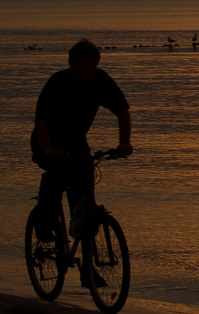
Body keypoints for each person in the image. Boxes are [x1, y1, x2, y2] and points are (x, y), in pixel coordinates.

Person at [30, 39, 133, 242]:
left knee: (86, 188)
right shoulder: (57, 83)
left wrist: (124, 143)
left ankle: (86, 252)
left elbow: (122, 111)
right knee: (56, 176)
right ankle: (43, 225)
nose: (89, 72)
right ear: (72, 64)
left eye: (93, 67)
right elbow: (41, 121)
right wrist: (49, 149)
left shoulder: (100, 81)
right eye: (84, 67)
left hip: (76, 141)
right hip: (47, 140)